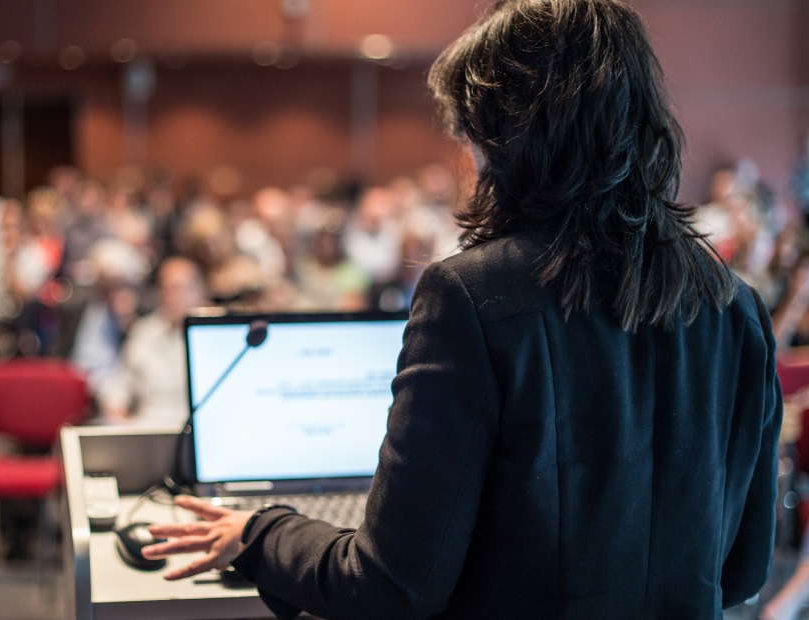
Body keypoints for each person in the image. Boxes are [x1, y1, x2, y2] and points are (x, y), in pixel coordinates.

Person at [142, 1, 782, 619]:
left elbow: (391, 586)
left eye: (472, 134)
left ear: (508, 140)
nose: (470, 159)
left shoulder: (470, 297)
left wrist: (259, 533)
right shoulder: (738, 307)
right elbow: (743, 571)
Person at [98, 257, 207, 427]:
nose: (172, 296)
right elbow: (119, 384)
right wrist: (114, 406)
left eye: (179, 288)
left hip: (198, 428)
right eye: (166, 289)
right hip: (148, 427)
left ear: (199, 291)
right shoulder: (143, 332)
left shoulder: (215, 335)